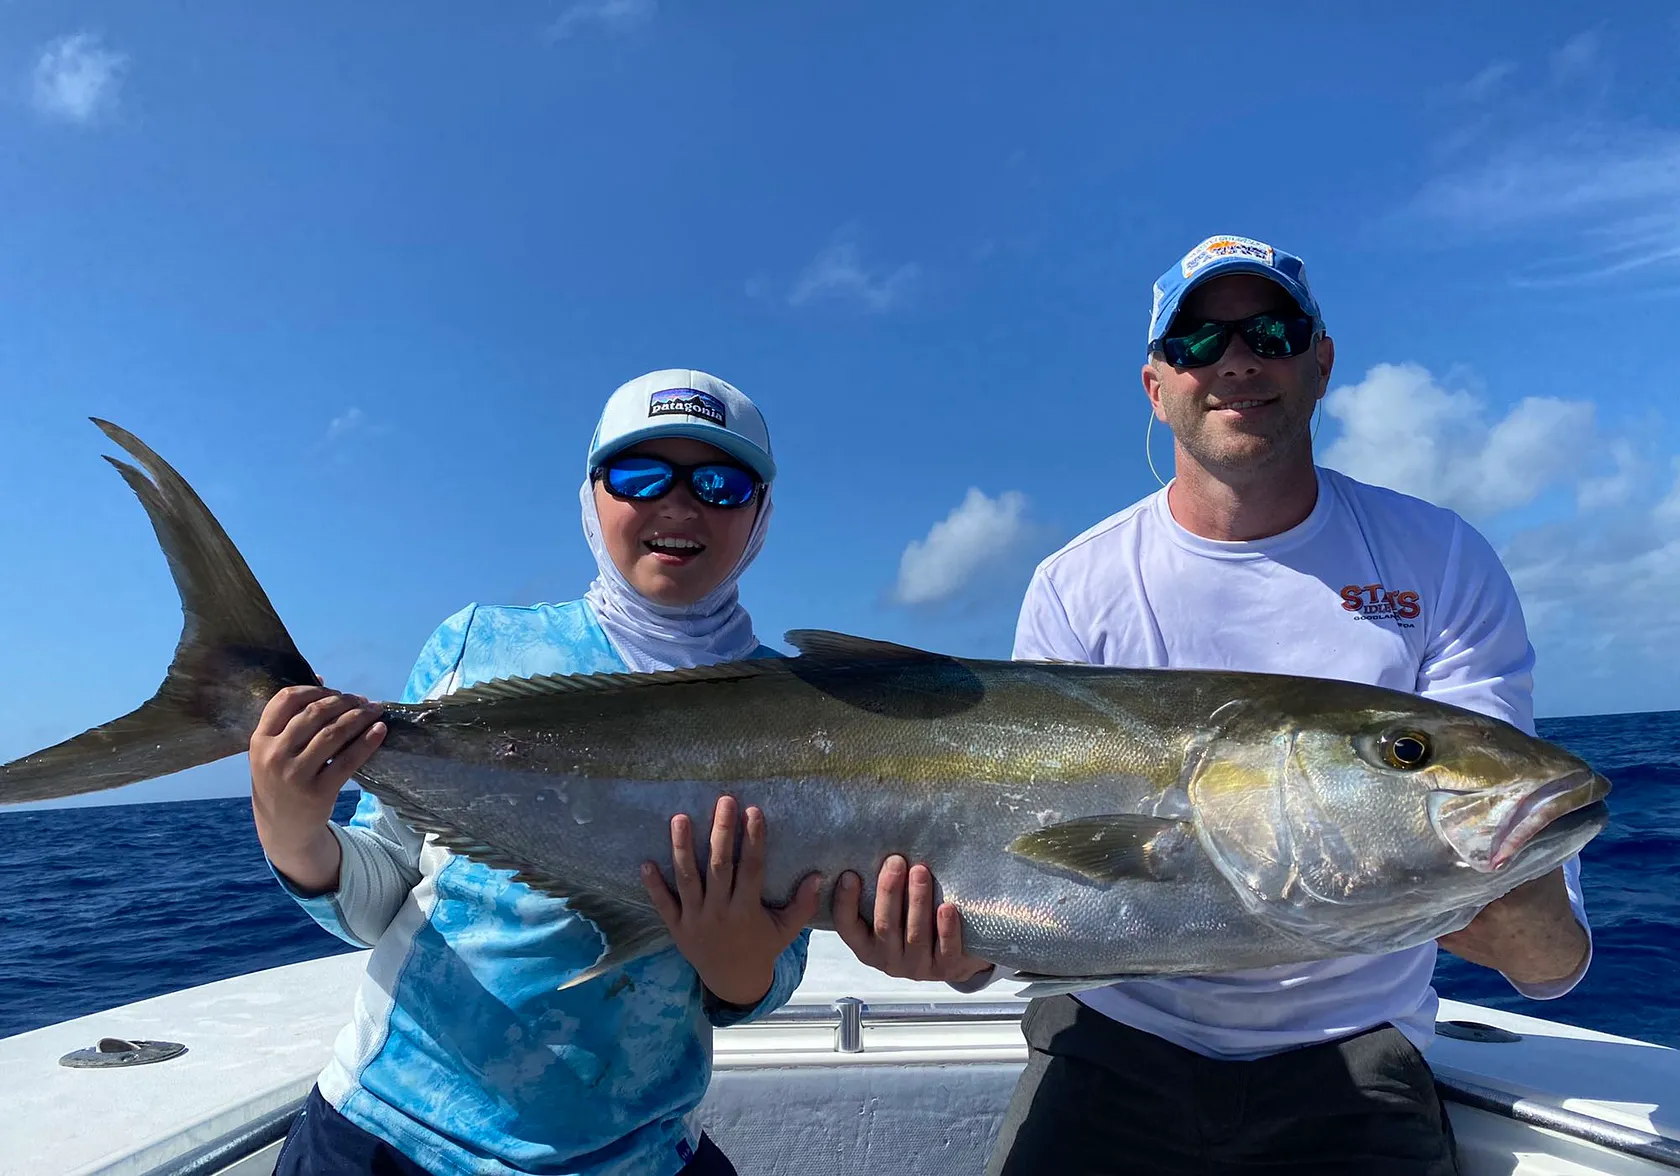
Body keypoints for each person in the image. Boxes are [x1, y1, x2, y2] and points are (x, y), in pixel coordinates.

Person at [845, 236, 1595, 1175]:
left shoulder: (1438, 560)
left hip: (1356, 1058)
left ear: (1321, 362)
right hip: (1110, 1039)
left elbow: (1543, 955)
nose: (1237, 361)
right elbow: (1024, 884)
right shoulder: (1078, 585)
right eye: (1198, 344)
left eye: (1270, 332)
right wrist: (947, 953)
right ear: (1156, 386)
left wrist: (1520, 895)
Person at [253, 369, 819, 1176]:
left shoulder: (806, 709)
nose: (680, 505)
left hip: (637, 1154)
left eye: (722, 483)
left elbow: (783, 949)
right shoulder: (477, 646)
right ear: (592, 494)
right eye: (640, 475)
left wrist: (738, 966)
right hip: (391, 1136)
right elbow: (387, 896)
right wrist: (295, 834)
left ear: (760, 512)